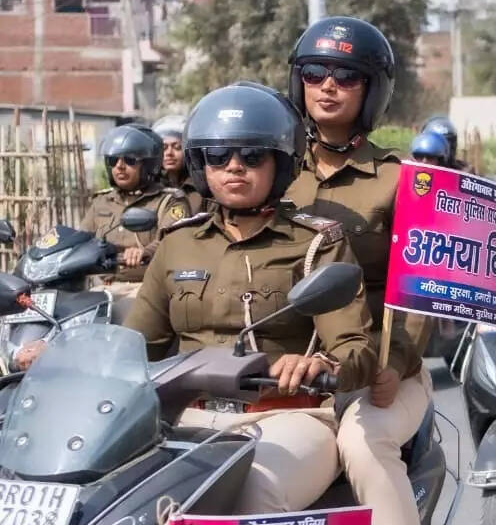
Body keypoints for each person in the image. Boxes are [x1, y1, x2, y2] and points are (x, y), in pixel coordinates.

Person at [129, 82, 377, 514]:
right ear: (199, 164)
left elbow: (355, 347)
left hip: (285, 418)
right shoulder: (177, 244)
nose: (234, 167)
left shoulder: (316, 243)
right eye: (218, 156)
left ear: (281, 164)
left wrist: (319, 364)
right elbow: (133, 345)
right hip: (183, 417)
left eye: (252, 155)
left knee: (252, 489)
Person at [283, 16, 432, 525]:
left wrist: (394, 364)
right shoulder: (269, 166)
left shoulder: (400, 180)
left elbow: (419, 291)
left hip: (377, 363)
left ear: (372, 89)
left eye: (346, 76)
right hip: (284, 364)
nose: (328, 86)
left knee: (363, 443)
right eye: (315, 72)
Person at [81, 124, 190, 324]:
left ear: (148, 165)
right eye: (113, 161)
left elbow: (174, 241)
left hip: (145, 288)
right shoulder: (101, 202)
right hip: (102, 288)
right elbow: (81, 238)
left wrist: (144, 252)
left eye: (130, 160)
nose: (119, 167)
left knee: (128, 324)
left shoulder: (168, 201)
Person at [152, 114, 205, 213]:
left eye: (177, 147)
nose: (169, 153)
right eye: (164, 148)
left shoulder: (202, 188)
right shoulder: (151, 188)